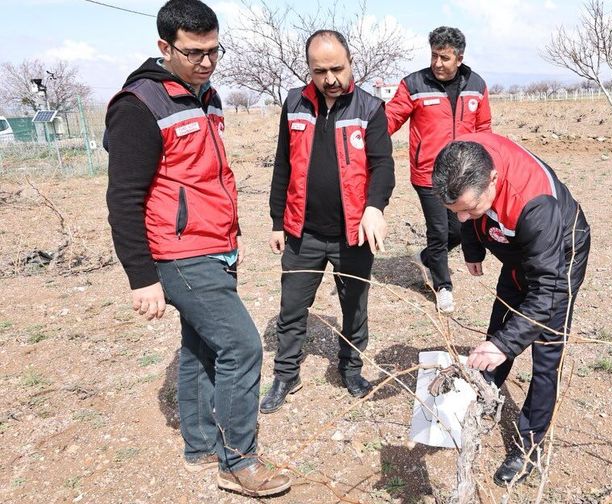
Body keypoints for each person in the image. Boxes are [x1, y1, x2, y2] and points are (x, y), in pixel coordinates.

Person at [104, 0, 291, 497]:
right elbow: (123, 199)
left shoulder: (206, 95)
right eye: (194, 53)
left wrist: (230, 238)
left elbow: (205, 178)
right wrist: (141, 277)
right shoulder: (138, 106)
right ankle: (238, 461)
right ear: (165, 47)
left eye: (214, 51)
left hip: (214, 245)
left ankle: (201, 444)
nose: (207, 62)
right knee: (243, 345)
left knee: (202, 347)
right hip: (177, 252)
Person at [432, 132, 590, 486]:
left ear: (493, 179)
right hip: (520, 246)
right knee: (502, 323)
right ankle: (482, 396)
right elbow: (468, 212)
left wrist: (506, 345)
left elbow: (547, 291)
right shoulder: (462, 159)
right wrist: (472, 248)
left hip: (561, 252)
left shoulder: (536, 204)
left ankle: (527, 445)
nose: (463, 217)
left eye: (470, 209)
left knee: (545, 352)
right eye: (455, 211)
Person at [261, 30, 395, 413]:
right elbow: (283, 163)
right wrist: (276, 221)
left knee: (354, 306)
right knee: (291, 309)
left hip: (353, 232)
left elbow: (383, 164)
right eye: (320, 71)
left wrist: (375, 206)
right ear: (310, 70)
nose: (330, 78)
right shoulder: (294, 103)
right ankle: (286, 374)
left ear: (351, 62)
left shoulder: (369, 108)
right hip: (302, 232)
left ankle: (350, 369)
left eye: (337, 68)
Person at [386, 26, 491, 314]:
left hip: (463, 173)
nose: (437, 63)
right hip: (427, 173)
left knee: (460, 230)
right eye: (434, 56)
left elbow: (483, 129)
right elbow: (390, 118)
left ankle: (427, 257)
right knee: (438, 231)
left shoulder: (477, 85)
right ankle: (443, 286)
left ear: (459, 58)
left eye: (444, 58)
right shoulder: (414, 84)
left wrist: (486, 163)